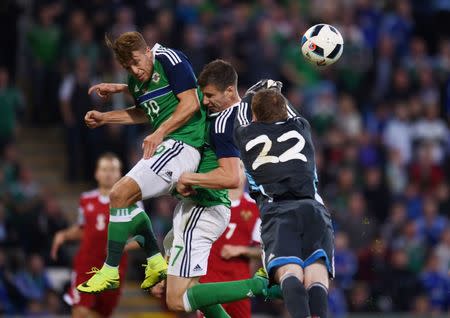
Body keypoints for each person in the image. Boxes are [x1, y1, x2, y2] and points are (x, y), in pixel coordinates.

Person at [178, 60, 333, 318]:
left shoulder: (245, 134)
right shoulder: (302, 127)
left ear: (255, 116)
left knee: (290, 273)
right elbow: (288, 112)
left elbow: (240, 112)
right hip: (314, 209)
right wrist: (275, 92)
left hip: (278, 211)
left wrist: (251, 95)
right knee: (316, 273)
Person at [77, 31, 206, 293]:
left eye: (137, 61)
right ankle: (156, 261)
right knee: (128, 201)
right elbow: (142, 113)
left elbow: (191, 102)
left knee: (118, 193)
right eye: (128, 67)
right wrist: (105, 118)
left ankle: (110, 271)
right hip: (170, 147)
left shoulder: (169, 58)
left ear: (148, 51)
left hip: (185, 144)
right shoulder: (135, 80)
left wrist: (160, 132)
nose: (135, 70)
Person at [51, 153, 138, 318]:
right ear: (97, 173)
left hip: (114, 269)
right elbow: (83, 229)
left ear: (120, 174)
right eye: (104, 169)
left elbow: (144, 237)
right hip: (86, 264)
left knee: (100, 314)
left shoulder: (131, 201)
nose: (108, 173)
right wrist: (64, 235)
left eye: (113, 169)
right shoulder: (86, 199)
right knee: (80, 311)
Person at [198, 171, 262, 318]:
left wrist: (241, 250)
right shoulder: (210, 203)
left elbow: (263, 250)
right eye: (234, 165)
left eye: (241, 166)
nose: (238, 170)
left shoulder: (256, 208)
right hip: (210, 282)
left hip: (240, 285)